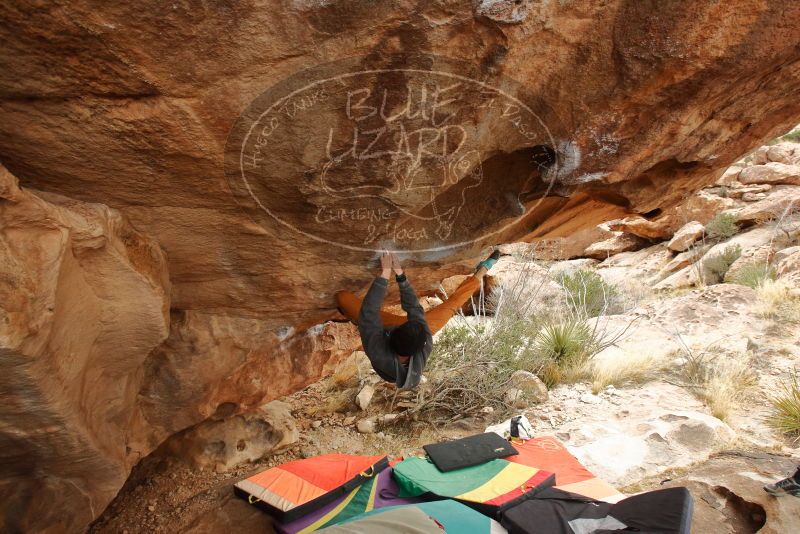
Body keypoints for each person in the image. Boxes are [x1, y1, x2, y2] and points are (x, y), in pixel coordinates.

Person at [335, 249, 500, 389]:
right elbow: (414, 309)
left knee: (342, 298)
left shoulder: (378, 351)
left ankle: (351, 316)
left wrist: (385, 273)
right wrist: (400, 275)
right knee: (452, 306)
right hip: (407, 334)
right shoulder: (425, 341)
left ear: (391, 335)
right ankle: (481, 271)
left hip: (382, 330)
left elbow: (369, 313)